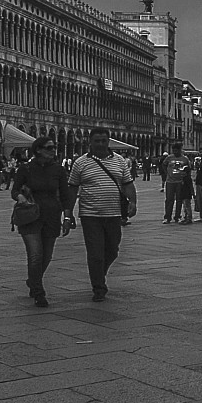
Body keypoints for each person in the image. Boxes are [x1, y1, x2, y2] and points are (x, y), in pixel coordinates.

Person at [67, 128, 133, 301]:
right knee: (95, 253)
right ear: (90, 142)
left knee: (112, 250)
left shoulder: (119, 161)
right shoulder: (80, 163)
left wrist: (133, 202)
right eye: (97, 141)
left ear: (108, 141)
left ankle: (99, 274)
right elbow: (72, 188)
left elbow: (127, 184)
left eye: (104, 141)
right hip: (90, 215)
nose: (101, 144)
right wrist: (68, 213)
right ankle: (98, 287)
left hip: (114, 214)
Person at [12, 135, 68, 307]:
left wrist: (67, 216)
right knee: (35, 255)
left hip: (52, 215)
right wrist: (20, 196)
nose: (53, 151)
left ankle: (33, 280)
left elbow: (65, 195)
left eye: (54, 147)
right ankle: (38, 292)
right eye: (49, 148)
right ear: (38, 150)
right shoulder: (26, 168)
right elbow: (14, 191)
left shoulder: (58, 170)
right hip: (31, 216)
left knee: (47, 255)